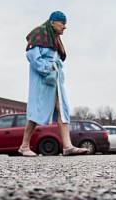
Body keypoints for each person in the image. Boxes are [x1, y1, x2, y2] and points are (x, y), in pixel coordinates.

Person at [18, 11, 87, 157]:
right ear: (52, 22)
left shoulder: (54, 38)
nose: (64, 27)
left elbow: (57, 58)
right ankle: (24, 146)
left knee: (62, 108)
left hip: (55, 80)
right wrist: (47, 68)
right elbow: (32, 56)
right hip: (42, 80)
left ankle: (67, 146)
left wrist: (57, 70)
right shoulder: (39, 34)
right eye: (62, 23)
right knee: (37, 110)